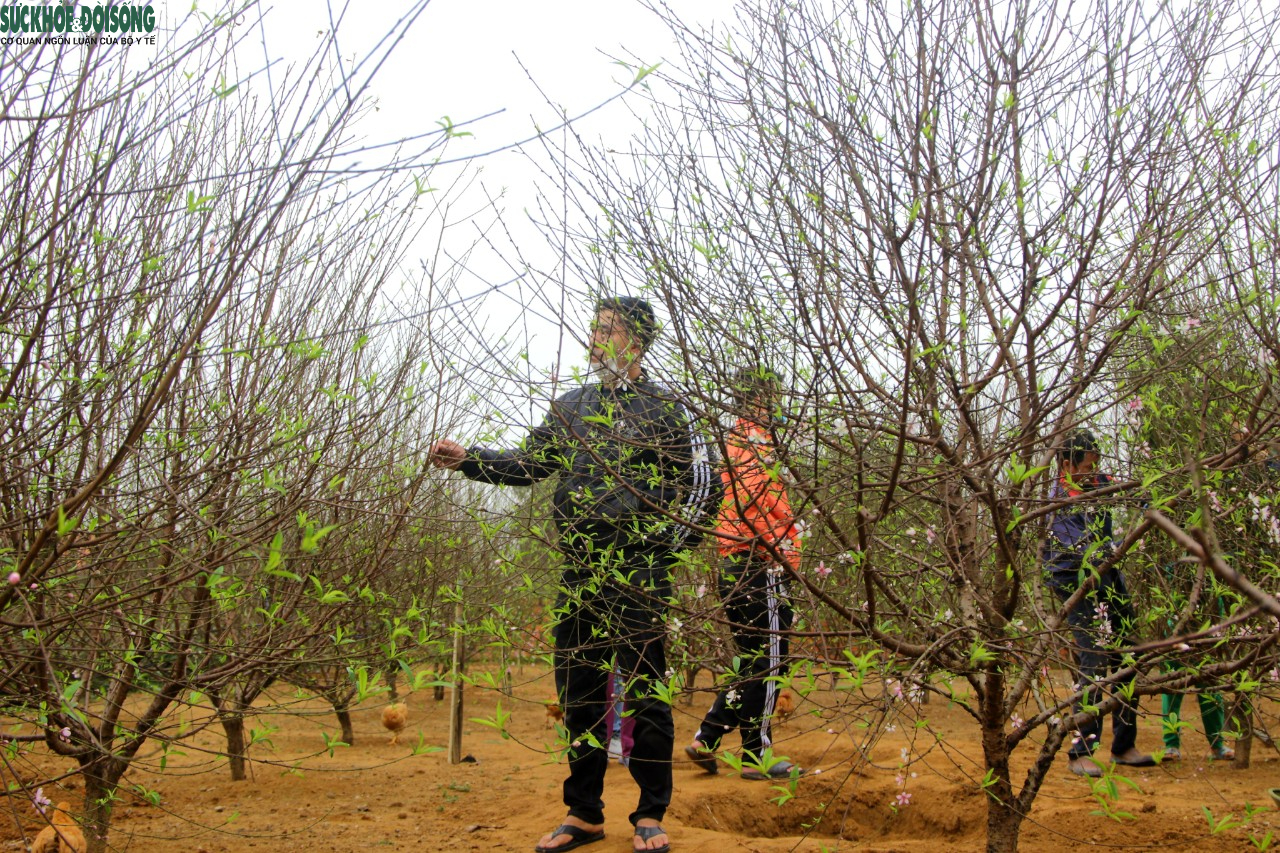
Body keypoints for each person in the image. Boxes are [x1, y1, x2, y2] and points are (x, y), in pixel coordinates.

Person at [429, 296, 715, 853]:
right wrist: (468, 458)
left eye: (605, 330)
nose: (593, 340)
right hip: (579, 573)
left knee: (644, 693)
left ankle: (650, 814)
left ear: (635, 340)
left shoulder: (667, 409)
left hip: (637, 572)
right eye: (593, 329)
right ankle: (583, 813)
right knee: (579, 693)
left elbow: (703, 489)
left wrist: (660, 553)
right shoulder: (573, 407)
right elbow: (530, 466)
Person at [685, 367, 803, 781]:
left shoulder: (734, 439)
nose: (778, 407)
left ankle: (708, 737)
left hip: (737, 562)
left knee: (753, 663)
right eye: (774, 398)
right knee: (770, 663)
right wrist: (789, 535)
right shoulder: (754, 440)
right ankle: (758, 756)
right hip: (760, 562)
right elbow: (757, 497)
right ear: (760, 399)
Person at [1043, 428, 1155, 777]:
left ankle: (1123, 747)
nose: (1094, 473)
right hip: (1074, 581)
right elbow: (1078, 552)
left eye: (1096, 465)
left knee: (1130, 655)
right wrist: (1114, 548)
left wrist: (1148, 501)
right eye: (1087, 467)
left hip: (1108, 576)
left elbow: (1137, 491)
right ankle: (1081, 751)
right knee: (1092, 660)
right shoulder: (1056, 499)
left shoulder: (1100, 482)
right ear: (1066, 463)